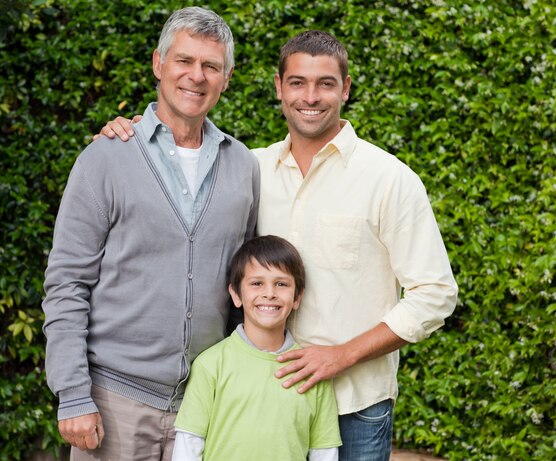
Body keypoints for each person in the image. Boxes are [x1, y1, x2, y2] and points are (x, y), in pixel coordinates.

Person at [99, 30, 458, 461]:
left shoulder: (389, 179)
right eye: (297, 83)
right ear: (278, 88)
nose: (311, 96)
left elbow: (435, 295)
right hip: (255, 402)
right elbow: (181, 169)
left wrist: (341, 356)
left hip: (352, 406)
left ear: (345, 88)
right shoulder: (249, 168)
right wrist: (135, 134)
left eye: (326, 83)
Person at [42, 7, 259, 461]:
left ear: (227, 77)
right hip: (113, 403)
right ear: (159, 63)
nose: (195, 76)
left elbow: (247, 286)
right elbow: (67, 284)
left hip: (206, 408)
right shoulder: (106, 158)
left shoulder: (243, 165)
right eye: (184, 61)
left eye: (211, 66)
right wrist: (74, 393)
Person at [172, 235, 341, 461]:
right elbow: (188, 446)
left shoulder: (311, 371)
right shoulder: (211, 365)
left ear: (297, 296)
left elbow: (324, 453)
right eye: (256, 283)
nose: (269, 293)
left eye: (281, 284)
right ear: (236, 294)